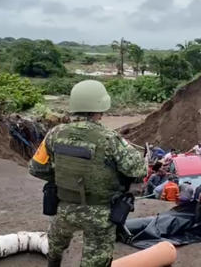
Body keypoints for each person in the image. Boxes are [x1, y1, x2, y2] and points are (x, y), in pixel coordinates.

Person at [28, 80, 147, 267]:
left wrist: (60, 178)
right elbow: (138, 169)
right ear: (100, 108)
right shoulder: (110, 139)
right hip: (100, 213)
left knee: (55, 248)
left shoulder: (55, 133)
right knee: (95, 261)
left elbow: (36, 168)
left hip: (64, 209)